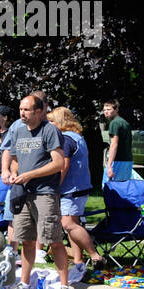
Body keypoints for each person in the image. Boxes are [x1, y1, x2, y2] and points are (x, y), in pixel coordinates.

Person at [2, 95, 72, 289]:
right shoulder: (18, 130)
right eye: (21, 109)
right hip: (22, 192)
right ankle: (24, 284)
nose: (22, 113)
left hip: (44, 192)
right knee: (26, 241)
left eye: (27, 110)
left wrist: (31, 174)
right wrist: (12, 173)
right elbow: (15, 159)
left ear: (39, 111)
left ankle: (65, 288)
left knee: (54, 240)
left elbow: (59, 163)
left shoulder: (50, 131)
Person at [48, 107, 103, 272]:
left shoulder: (65, 139)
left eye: (52, 121)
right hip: (81, 187)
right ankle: (78, 261)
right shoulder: (77, 136)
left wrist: (56, 187)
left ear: (61, 122)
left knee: (68, 224)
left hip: (71, 189)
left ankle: (95, 256)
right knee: (74, 223)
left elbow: (63, 166)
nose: (49, 124)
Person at [102, 99, 136, 184]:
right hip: (127, 160)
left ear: (116, 109)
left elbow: (114, 144)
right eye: (104, 110)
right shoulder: (125, 123)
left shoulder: (114, 123)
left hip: (118, 161)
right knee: (124, 188)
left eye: (109, 109)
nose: (106, 112)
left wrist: (109, 165)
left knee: (112, 189)